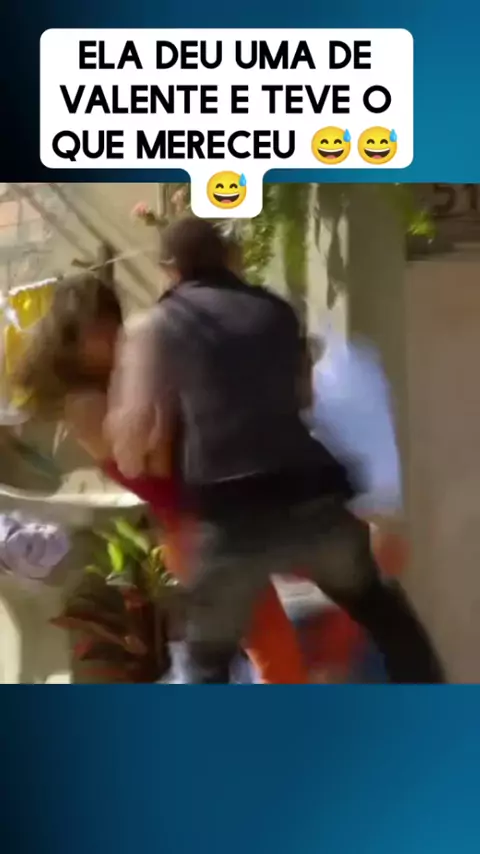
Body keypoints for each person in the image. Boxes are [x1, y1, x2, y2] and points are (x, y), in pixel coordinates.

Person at [107, 216, 445, 684]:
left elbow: (132, 438)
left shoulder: (157, 325)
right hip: (312, 500)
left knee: (207, 661)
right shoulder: (277, 310)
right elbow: (304, 398)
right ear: (231, 258)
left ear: (170, 268)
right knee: (388, 618)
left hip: (232, 519)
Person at [12, 265, 309, 684]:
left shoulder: (118, 384)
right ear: (72, 339)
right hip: (198, 532)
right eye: (99, 329)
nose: (112, 336)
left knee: (262, 646)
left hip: (208, 523)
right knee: (272, 648)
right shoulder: (86, 404)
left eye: (112, 322)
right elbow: (157, 457)